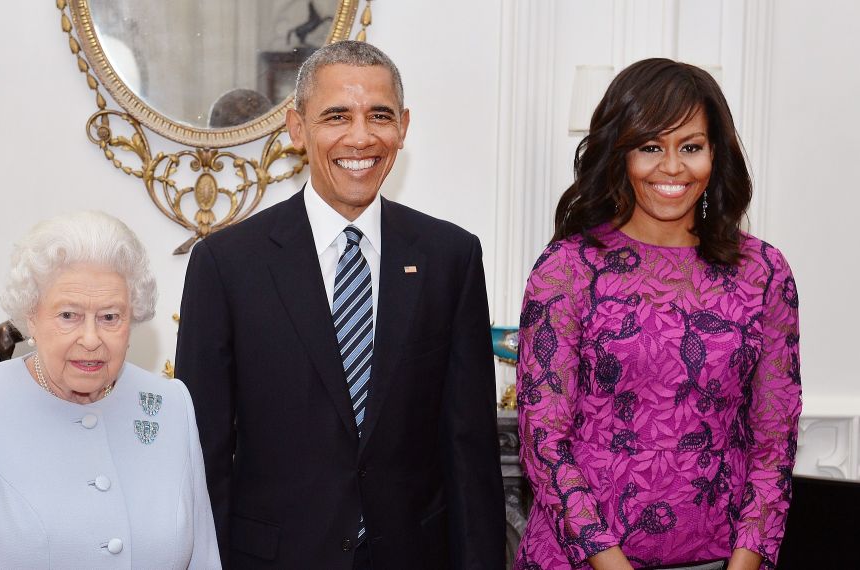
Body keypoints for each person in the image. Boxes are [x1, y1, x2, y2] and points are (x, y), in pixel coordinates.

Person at [175, 40, 505, 569]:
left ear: (403, 126)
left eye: (379, 115)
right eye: (336, 116)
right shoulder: (226, 263)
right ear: (297, 128)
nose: (361, 136)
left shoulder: (450, 257)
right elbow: (203, 454)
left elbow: (469, 450)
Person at [513, 58, 801, 570]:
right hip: (579, 562)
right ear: (619, 155)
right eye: (651, 147)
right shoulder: (568, 269)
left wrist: (745, 564)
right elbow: (544, 444)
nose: (672, 167)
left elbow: (773, 446)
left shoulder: (764, 273)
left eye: (690, 147)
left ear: (716, 154)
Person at [0, 211, 221, 569]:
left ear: (134, 318)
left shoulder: (170, 405)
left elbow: (204, 560)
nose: (91, 339)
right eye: (68, 315)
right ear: (31, 316)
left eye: (110, 317)